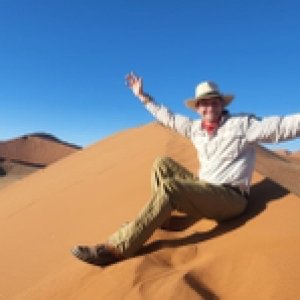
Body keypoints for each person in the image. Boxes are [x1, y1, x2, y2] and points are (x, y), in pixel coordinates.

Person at [71, 72, 300, 266]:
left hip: (231, 199)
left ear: (222, 104)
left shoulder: (242, 125)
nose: (209, 106)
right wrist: (143, 97)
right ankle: (163, 218)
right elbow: (168, 118)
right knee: (162, 164)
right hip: (204, 189)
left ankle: (118, 247)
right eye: (204, 102)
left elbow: (280, 127)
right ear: (198, 108)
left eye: (214, 101)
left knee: (170, 188)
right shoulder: (195, 129)